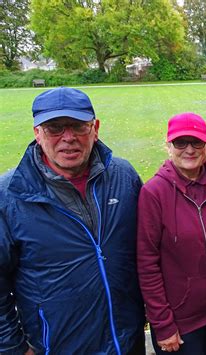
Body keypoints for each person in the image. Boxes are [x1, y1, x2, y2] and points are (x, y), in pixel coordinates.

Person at [0, 87, 145, 354]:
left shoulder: (124, 177)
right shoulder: (9, 196)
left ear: (95, 128)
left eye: (78, 126)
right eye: (55, 128)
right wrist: (14, 347)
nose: (68, 138)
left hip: (126, 339)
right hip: (59, 346)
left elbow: (148, 250)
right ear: (37, 133)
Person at [136, 112, 206, 354]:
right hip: (180, 321)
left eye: (196, 142)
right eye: (180, 142)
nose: (189, 149)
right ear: (168, 146)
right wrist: (163, 323)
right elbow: (147, 263)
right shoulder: (154, 193)